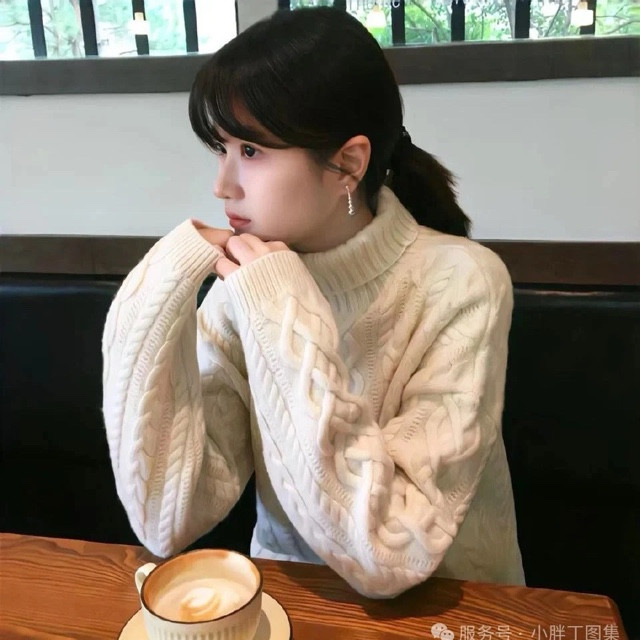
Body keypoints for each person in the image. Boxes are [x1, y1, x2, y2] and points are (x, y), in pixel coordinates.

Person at [102, 7, 525, 598]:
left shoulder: (463, 283)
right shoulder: (246, 289)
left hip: (454, 605)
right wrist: (159, 285)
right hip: (290, 600)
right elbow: (167, 517)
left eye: (251, 151)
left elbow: (392, 551)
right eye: (220, 148)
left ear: (347, 164)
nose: (222, 185)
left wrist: (281, 312)